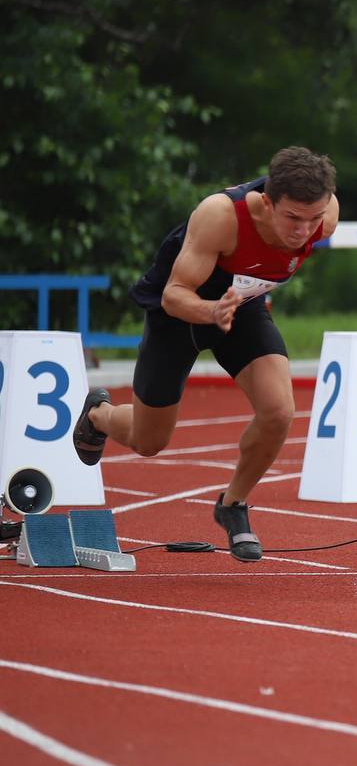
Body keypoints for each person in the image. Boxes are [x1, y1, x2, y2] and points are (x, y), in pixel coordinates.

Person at [70, 148, 340, 561]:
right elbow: (174, 295)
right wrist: (211, 311)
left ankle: (232, 505)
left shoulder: (327, 214)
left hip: (240, 309)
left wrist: (230, 307)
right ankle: (98, 415)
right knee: (149, 440)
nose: (304, 231)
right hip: (179, 315)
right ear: (267, 202)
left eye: (313, 219)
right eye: (292, 218)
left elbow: (277, 256)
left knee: (279, 410)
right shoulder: (221, 216)